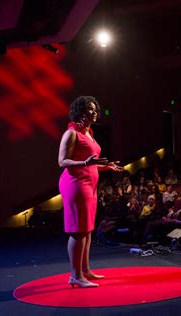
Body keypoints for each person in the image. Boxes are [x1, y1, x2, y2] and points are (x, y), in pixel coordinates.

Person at [58, 96, 123, 288]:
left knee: (87, 230)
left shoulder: (89, 133)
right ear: (79, 111)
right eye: (89, 109)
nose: (94, 112)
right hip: (75, 184)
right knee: (78, 231)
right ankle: (75, 276)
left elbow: (91, 164)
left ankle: (85, 270)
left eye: (95, 109)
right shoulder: (71, 134)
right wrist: (85, 163)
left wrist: (106, 166)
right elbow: (62, 162)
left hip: (89, 185)